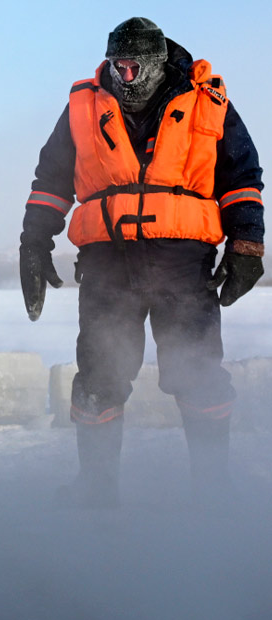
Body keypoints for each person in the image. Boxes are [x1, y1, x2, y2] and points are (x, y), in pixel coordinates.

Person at [19, 18, 264, 508]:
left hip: (183, 263)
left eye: (134, 68)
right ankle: (95, 491)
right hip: (107, 263)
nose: (124, 77)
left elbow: (241, 178)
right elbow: (51, 179)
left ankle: (213, 490)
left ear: (156, 64)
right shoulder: (83, 105)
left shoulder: (207, 103)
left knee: (198, 375)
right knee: (99, 376)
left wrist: (247, 247)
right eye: (117, 66)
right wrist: (33, 243)